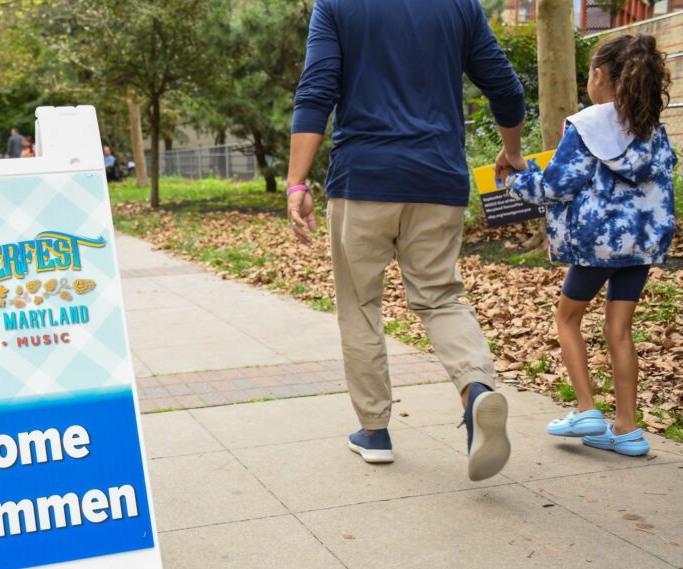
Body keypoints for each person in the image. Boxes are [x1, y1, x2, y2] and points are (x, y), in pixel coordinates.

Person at [287, 0, 526, 480]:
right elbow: (504, 85)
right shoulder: (460, 5)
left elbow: (316, 92)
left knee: (359, 303)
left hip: (363, 178)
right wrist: (513, 152)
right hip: (438, 178)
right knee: (440, 297)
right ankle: (476, 391)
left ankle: (374, 431)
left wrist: (297, 182)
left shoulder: (335, 5)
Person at [503, 35, 676, 457]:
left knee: (568, 318)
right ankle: (628, 429)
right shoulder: (652, 127)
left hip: (598, 245)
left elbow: (556, 185)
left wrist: (509, 180)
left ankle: (585, 410)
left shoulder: (587, 124)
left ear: (599, 75)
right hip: (642, 245)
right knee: (619, 330)